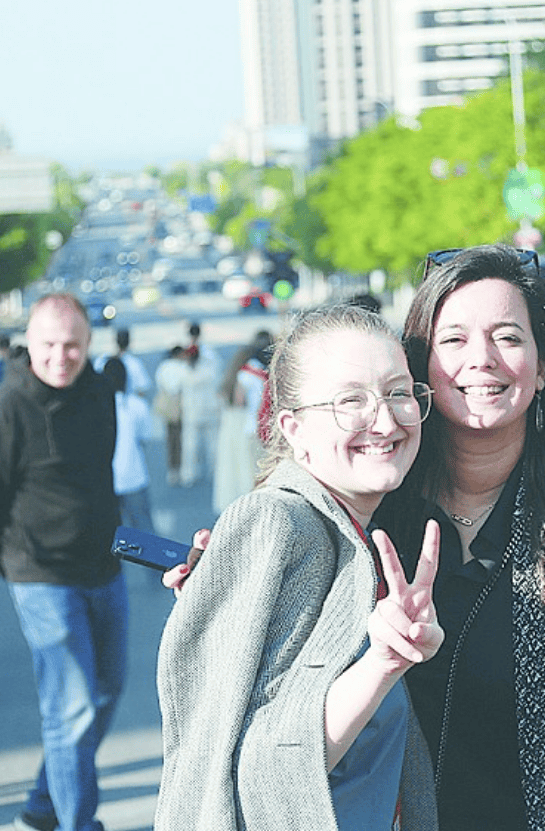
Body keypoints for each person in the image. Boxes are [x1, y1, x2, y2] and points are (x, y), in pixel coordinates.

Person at [170, 246, 545, 829]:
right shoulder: (369, 516)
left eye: (508, 337)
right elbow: (274, 736)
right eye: (453, 341)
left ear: (543, 365)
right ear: (419, 370)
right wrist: (236, 589)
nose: (481, 360)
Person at [156, 304, 442, 830]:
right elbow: (260, 768)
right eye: (350, 400)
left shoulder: (356, 529)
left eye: (399, 392)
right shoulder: (279, 525)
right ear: (294, 427)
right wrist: (382, 663)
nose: (385, 419)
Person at [0, 294, 126, 831]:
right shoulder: (3, 411)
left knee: (104, 694)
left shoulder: (100, 392)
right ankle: (79, 823)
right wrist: (15, 566)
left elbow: (103, 474)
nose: (61, 356)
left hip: (104, 570)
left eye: (72, 345)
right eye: (49, 345)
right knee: (71, 708)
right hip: (42, 578)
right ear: (29, 344)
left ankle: (42, 802)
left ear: (88, 344)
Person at [211, 330, 272, 514]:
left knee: (244, 470)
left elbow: (239, 400)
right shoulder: (263, 373)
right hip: (261, 428)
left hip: (246, 428)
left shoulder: (245, 373)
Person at [102, 356, 156, 536]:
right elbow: (145, 437)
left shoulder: (97, 407)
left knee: (109, 535)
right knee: (144, 533)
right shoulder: (137, 406)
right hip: (134, 476)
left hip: (106, 481)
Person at [180, 323, 221, 487]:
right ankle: (215, 471)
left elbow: (177, 383)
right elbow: (217, 376)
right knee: (213, 443)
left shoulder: (185, 363)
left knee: (190, 444)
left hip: (192, 409)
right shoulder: (210, 355)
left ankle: (189, 474)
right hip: (210, 406)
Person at [153, 346, 188, 487]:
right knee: (181, 437)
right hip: (180, 402)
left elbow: (159, 383)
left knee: (170, 437)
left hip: (166, 401)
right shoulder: (183, 367)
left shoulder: (163, 366)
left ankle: (172, 469)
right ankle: (180, 467)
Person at [94, 327, 151, 399]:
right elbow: (141, 390)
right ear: (129, 342)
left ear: (116, 341)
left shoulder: (101, 360)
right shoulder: (134, 363)